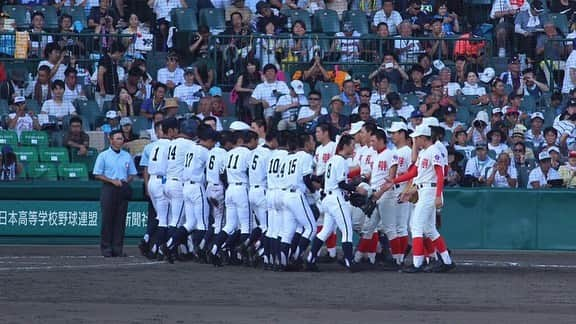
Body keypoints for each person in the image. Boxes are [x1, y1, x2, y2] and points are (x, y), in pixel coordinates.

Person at [384, 124, 455, 272]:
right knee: (429, 229)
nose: (415, 140)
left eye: (417, 138)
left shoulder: (433, 150)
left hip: (430, 189)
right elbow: (414, 173)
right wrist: (394, 180)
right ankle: (447, 261)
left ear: (423, 137)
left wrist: (437, 196)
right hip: (423, 190)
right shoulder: (424, 152)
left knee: (415, 225)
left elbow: (440, 174)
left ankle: (417, 263)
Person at [306, 134, 363, 272]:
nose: (353, 148)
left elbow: (327, 181)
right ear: (345, 146)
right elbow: (341, 183)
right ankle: (349, 262)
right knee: (347, 231)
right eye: (352, 145)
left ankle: (310, 259)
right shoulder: (341, 161)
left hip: (328, 199)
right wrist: (356, 189)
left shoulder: (332, 160)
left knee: (325, 231)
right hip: (336, 199)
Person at [165, 124, 217, 262]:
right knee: (202, 223)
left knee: (190, 223)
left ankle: (170, 244)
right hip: (197, 187)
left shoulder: (191, 148)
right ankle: (199, 253)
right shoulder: (204, 151)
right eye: (212, 142)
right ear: (209, 140)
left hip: (186, 187)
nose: (213, 145)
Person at [210, 131, 258, 266]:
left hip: (230, 189)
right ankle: (241, 256)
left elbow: (222, 175)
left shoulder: (229, 153)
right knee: (246, 226)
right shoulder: (248, 153)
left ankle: (214, 249)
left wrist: (229, 186)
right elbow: (250, 172)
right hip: (242, 189)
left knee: (230, 225)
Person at [93, 130, 137, 257]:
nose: (120, 141)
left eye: (121, 138)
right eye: (117, 138)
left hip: (122, 188)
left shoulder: (126, 156)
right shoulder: (103, 155)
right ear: (111, 140)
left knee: (120, 220)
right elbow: (97, 174)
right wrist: (112, 180)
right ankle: (106, 248)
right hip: (109, 188)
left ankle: (118, 249)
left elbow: (132, 174)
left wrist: (125, 181)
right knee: (108, 219)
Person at [278, 133, 318, 270]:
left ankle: (282, 262)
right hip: (296, 195)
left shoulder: (289, 157)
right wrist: (315, 192)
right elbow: (307, 179)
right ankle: (295, 257)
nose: (314, 143)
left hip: (285, 195)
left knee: (288, 232)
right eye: (312, 140)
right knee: (311, 228)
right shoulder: (305, 156)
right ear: (306, 143)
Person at [248, 130, 277, 265]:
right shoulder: (269, 154)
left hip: (251, 191)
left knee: (262, 225)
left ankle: (249, 244)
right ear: (273, 140)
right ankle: (261, 252)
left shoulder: (255, 151)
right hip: (262, 191)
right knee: (268, 227)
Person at [97, 42, 126, 109]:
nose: (120, 57)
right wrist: (102, 89)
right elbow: (100, 74)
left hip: (111, 92)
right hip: (105, 93)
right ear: (117, 52)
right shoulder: (105, 59)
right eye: (121, 55)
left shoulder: (113, 61)